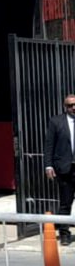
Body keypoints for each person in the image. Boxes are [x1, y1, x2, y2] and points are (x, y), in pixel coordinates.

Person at [43, 93, 75, 245]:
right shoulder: (56, 121)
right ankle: (64, 234)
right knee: (65, 203)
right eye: (70, 105)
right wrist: (48, 164)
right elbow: (50, 144)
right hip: (65, 168)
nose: (73, 107)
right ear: (65, 107)